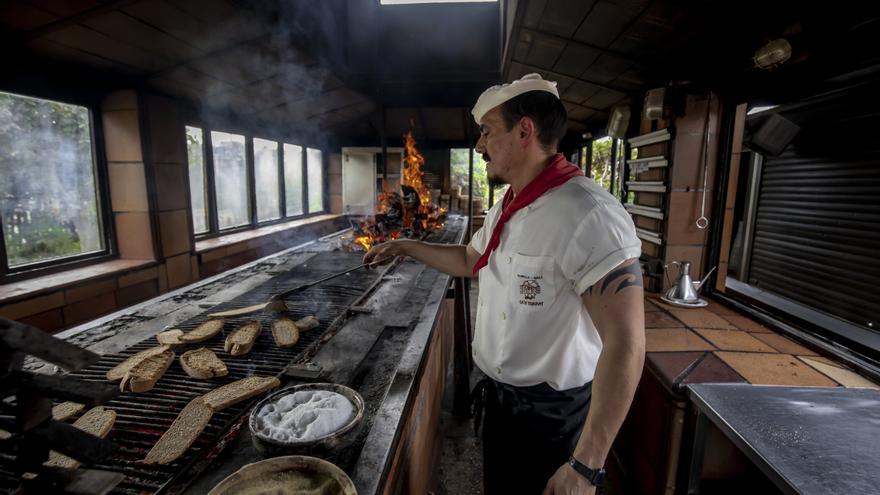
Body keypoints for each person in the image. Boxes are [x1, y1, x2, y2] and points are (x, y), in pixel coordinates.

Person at [364, 73, 645, 495]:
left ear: (525, 131)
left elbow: (626, 344)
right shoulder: (509, 206)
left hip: (553, 419)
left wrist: (586, 465)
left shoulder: (589, 214)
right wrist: (405, 246)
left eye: (487, 132)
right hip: (501, 402)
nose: (479, 146)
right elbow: (468, 260)